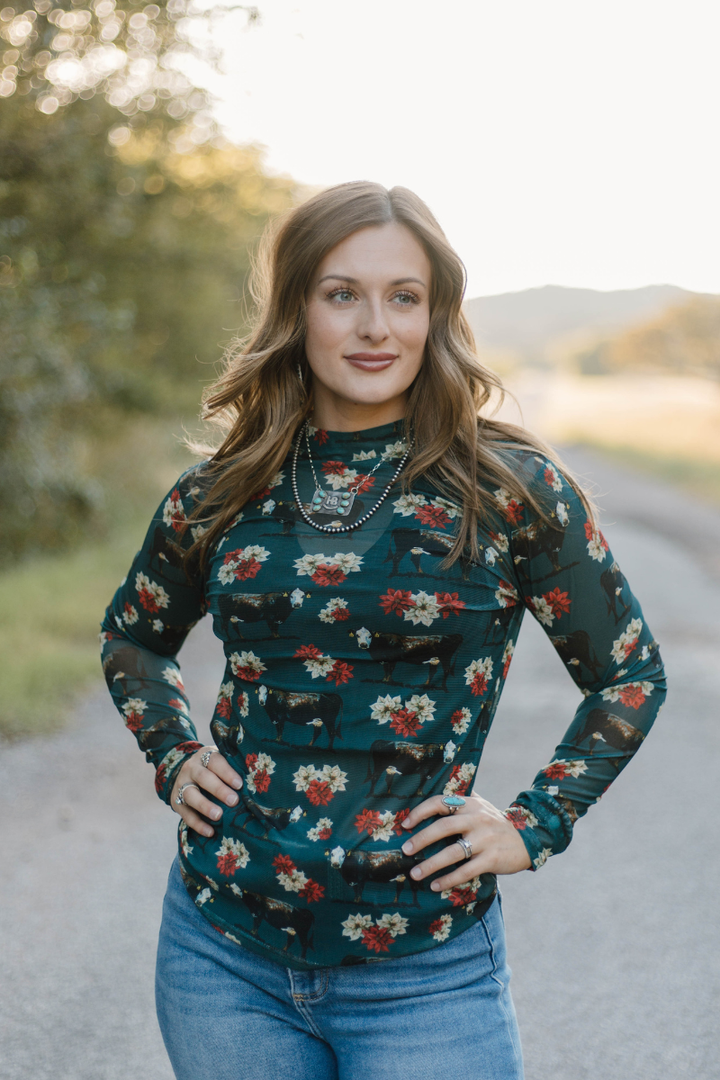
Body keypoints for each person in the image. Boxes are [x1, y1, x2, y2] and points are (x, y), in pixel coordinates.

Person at [100, 181, 666, 1080]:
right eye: (342, 294)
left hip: (425, 972)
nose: (375, 326)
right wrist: (172, 752)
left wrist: (535, 823)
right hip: (222, 955)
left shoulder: (510, 491)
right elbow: (133, 636)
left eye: (404, 296)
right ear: (298, 310)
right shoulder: (222, 491)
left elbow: (628, 674)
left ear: (436, 314)